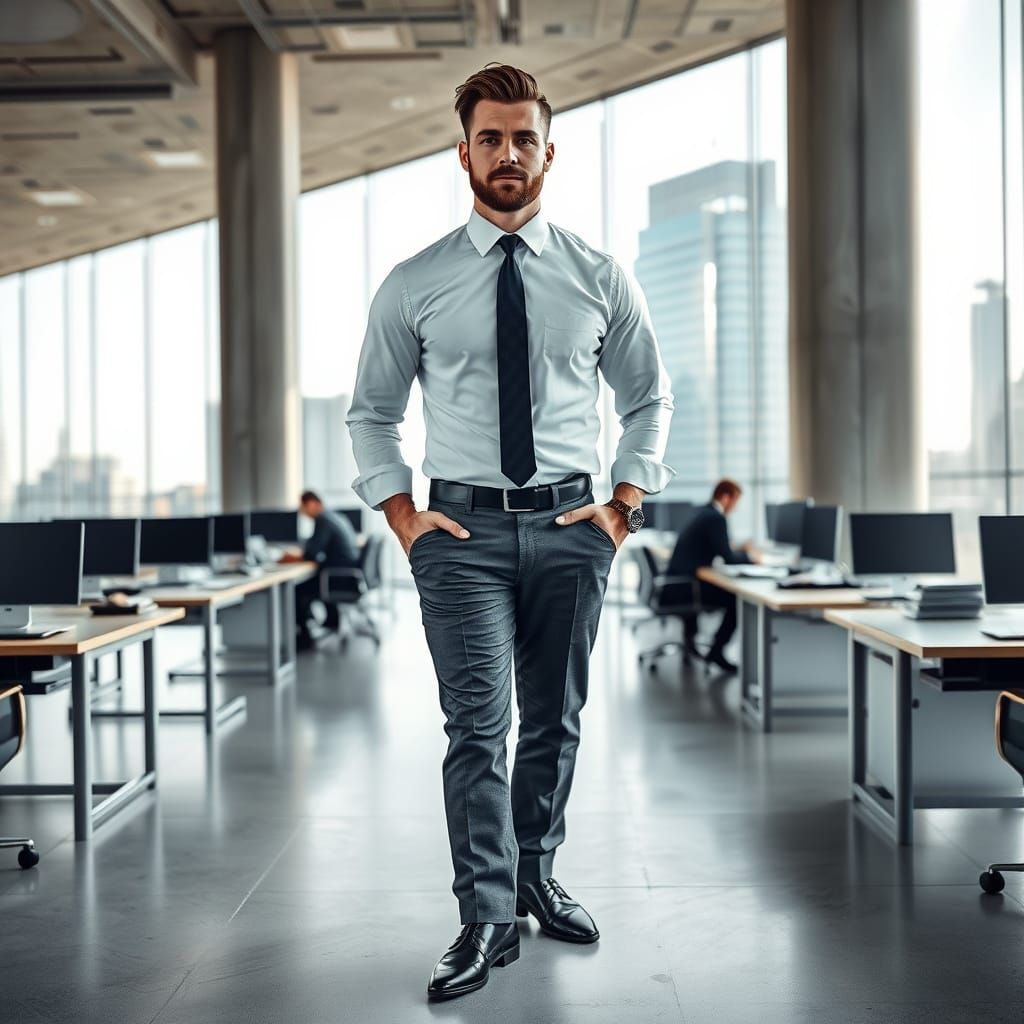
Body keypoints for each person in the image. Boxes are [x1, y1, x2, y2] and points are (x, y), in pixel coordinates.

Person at [345, 64, 675, 1001]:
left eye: (522, 136)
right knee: (478, 727)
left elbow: (649, 399)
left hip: (575, 529)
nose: (507, 153)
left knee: (555, 721)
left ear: (547, 151)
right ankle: (486, 917)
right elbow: (370, 413)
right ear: (464, 153)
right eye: (489, 138)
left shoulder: (598, 276)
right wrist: (405, 519)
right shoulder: (416, 283)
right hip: (461, 537)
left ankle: (536, 870)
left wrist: (623, 505)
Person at [666, 478, 760, 673]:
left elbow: (719, 547)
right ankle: (717, 652)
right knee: (736, 601)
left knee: (729, 595)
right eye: (735, 502)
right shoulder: (716, 518)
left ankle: (700, 644)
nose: (735, 508)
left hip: (677, 583)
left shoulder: (703, 512)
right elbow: (729, 558)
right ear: (726, 498)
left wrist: (738, 549)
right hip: (687, 588)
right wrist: (752, 558)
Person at [280, 490, 360, 651]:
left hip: (336, 578)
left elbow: (312, 554)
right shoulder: (335, 517)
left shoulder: (323, 520)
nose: (302, 513)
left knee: (296, 591)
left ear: (311, 504)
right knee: (310, 582)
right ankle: (331, 620)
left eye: (303, 508)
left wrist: (291, 557)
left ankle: (304, 637)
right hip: (345, 574)